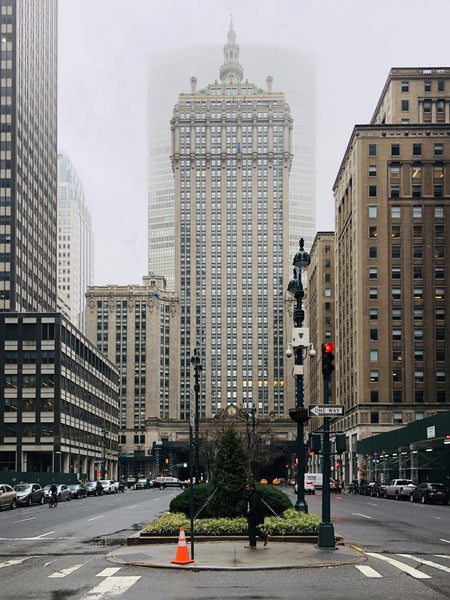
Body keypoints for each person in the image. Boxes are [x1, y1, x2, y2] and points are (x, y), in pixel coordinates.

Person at [244, 481, 269, 549]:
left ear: (251, 487)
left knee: (251, 529)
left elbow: (254, 506)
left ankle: (253, 544)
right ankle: (264, 536)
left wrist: (250, 514)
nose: (247, 488)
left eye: (248, 487)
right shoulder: (253, 494)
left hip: (254, 515)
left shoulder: (254, 495)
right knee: (253, 529)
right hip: (256, 515)